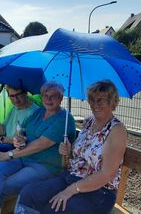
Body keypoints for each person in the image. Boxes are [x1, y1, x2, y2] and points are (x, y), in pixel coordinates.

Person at [15, 80, 127, 214]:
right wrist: (68, 151)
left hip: (98, 192)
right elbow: (80, 154)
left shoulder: (116, 130)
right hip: (70, 177)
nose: (95, 104)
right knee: (29, 193)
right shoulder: (89, 121)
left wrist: (71, 190)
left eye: (101, 100)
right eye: (91, 99)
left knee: (51, 209)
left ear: (112, 101)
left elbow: (106, 174)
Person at [0, 81, 76, 207]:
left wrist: (8, 154)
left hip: (43, 166)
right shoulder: (40, 112)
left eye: (53, 96)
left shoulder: (64, 119)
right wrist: (19, 139)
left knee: (4, 185)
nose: (48, 99)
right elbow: (23, 131)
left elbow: (41, 144)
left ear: (60, 98)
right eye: (45, 96)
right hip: (22, 157)